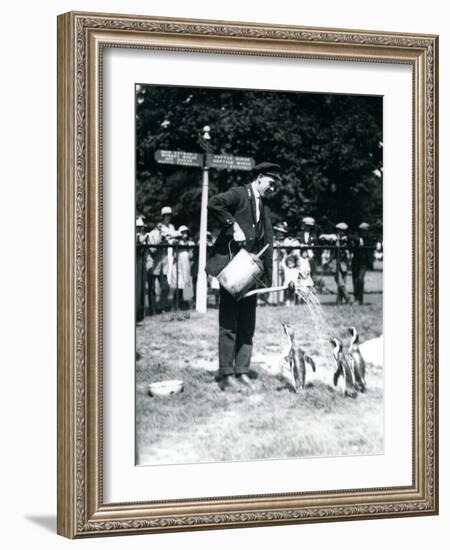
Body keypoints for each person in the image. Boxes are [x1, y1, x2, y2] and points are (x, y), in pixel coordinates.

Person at [206, 161, 281, 391]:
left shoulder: (265, 206)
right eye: (271, 182)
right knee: (229, 322)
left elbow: (267, 242)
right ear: (259, 177)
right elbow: (214, 203)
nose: (273, 188)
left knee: (248, 323)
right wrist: (233, 225)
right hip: (233, 271)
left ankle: (242, 370)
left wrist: (266, 278)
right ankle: (226, 374)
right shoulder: (239, 194)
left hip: (251, 274)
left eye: (276, 185)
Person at [146, 206, 177, 313]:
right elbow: (152, 250)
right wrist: (161, 240)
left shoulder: (168, 229)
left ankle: (161, 306)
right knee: (152, 288)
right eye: (165, 216)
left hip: (163, 264)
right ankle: (152, 309)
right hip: (153, 264)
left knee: (166, 287)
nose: (168, 218)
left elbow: (172, 240)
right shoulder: (152, 234)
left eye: (169, 215)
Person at [320, 222, 351, 304]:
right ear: (338, 231)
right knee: (339, 281)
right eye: (340, 231)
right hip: (335, 263)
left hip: (344, 263)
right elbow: (325, 237)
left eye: (344, 231)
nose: (342, 232)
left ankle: (339, 301)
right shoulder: (334, 238)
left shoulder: (347, 239)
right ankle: (347, 298)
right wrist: (323, 236)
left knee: (342, 283)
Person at [169, 225, 194, 311]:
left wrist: (190, 249)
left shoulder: (189, 243)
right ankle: (175, 305)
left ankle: (188, 304)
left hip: (186, 265)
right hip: (178, 265)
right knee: (177, 285)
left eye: (186, 232)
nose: (185, 234)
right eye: (183, 232)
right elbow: (173, 252)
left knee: (187, 283)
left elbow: (191, 255)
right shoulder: (176, 242)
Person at [351, 222, 372, 305]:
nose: (362, 232)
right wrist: (358, 239)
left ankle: (360, 299)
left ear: (367, 231)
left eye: (364, 231)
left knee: (360, 279)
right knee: (355, 280)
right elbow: (350, 237)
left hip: (364, 263)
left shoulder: (369, 239)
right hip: (355, 262)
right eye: (361, 231)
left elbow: (373, 242)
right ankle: (356, 298)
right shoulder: (357, 237)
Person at [268, 222, 288, 305]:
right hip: (274, 261)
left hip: (282, 262)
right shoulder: (272, 239)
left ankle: (280, 299)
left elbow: (286, 253)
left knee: (282, 280)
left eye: (282, 232)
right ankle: (273, 300)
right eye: (279, 231)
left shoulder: (285, 241)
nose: (281, 234)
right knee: (274, 280)